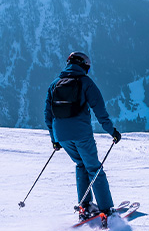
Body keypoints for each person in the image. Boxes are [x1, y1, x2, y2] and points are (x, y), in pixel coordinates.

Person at [45, 51, 122, 221]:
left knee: (81, 165)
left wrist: (54, 139)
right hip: (81, 134)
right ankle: (107, 210)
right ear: (84, 66)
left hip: (61, 136)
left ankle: (85, 206)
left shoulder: (54, 84)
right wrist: (112, 132)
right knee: (94, 168)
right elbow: (100, 111)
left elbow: (47, 115)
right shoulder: (86, 83)